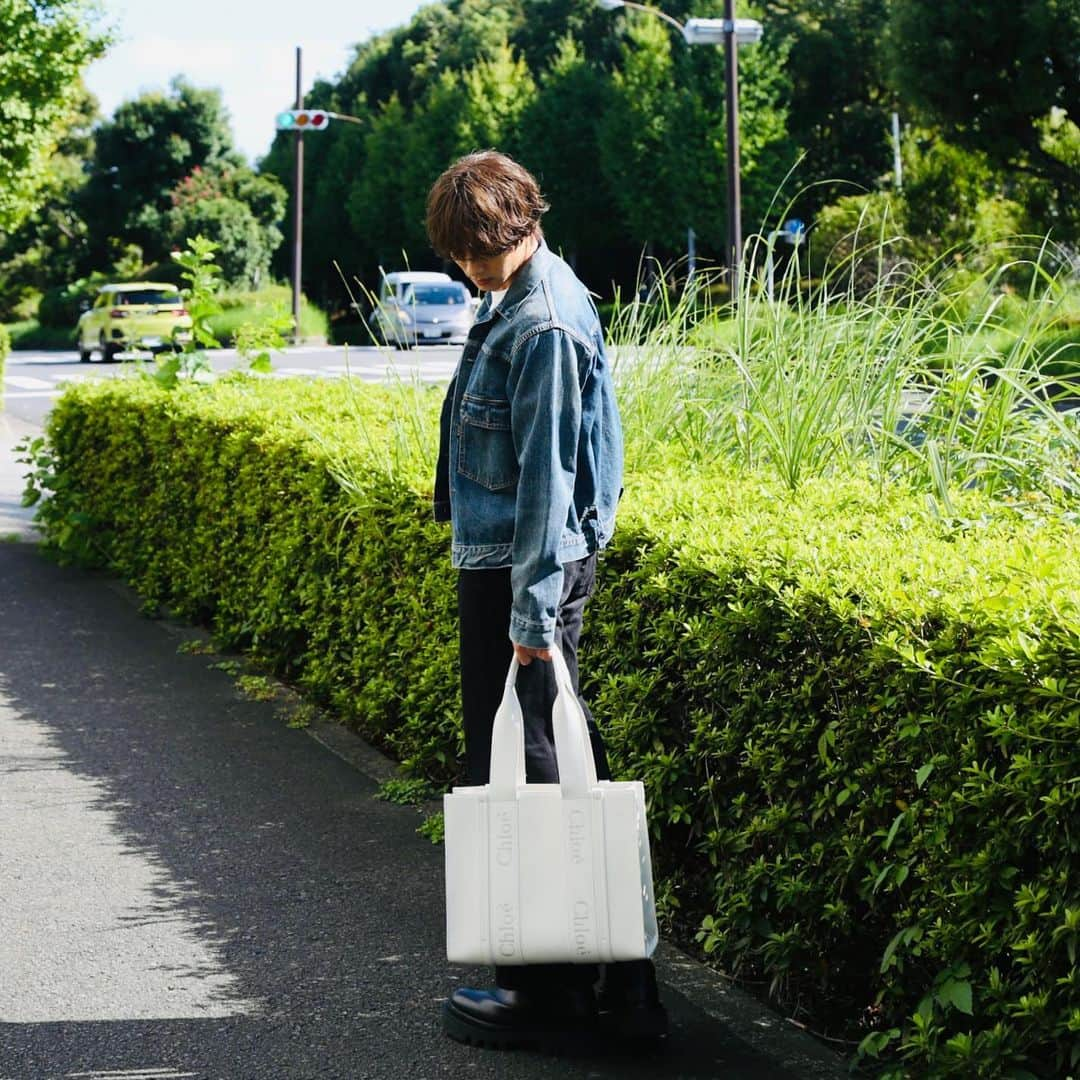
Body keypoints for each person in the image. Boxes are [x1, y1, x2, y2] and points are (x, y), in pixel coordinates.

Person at [426, 150, 668, 1051]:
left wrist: (530, 623)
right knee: (552, 761)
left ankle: (555, 993)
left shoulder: (546, 324)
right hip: (516, 567)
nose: (471, 271)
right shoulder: (522, 298)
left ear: (523, 225)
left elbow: (547, 488)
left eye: (481, 254)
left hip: (526, 574)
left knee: (531, 771)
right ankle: (615, 983)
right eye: (462, 258)